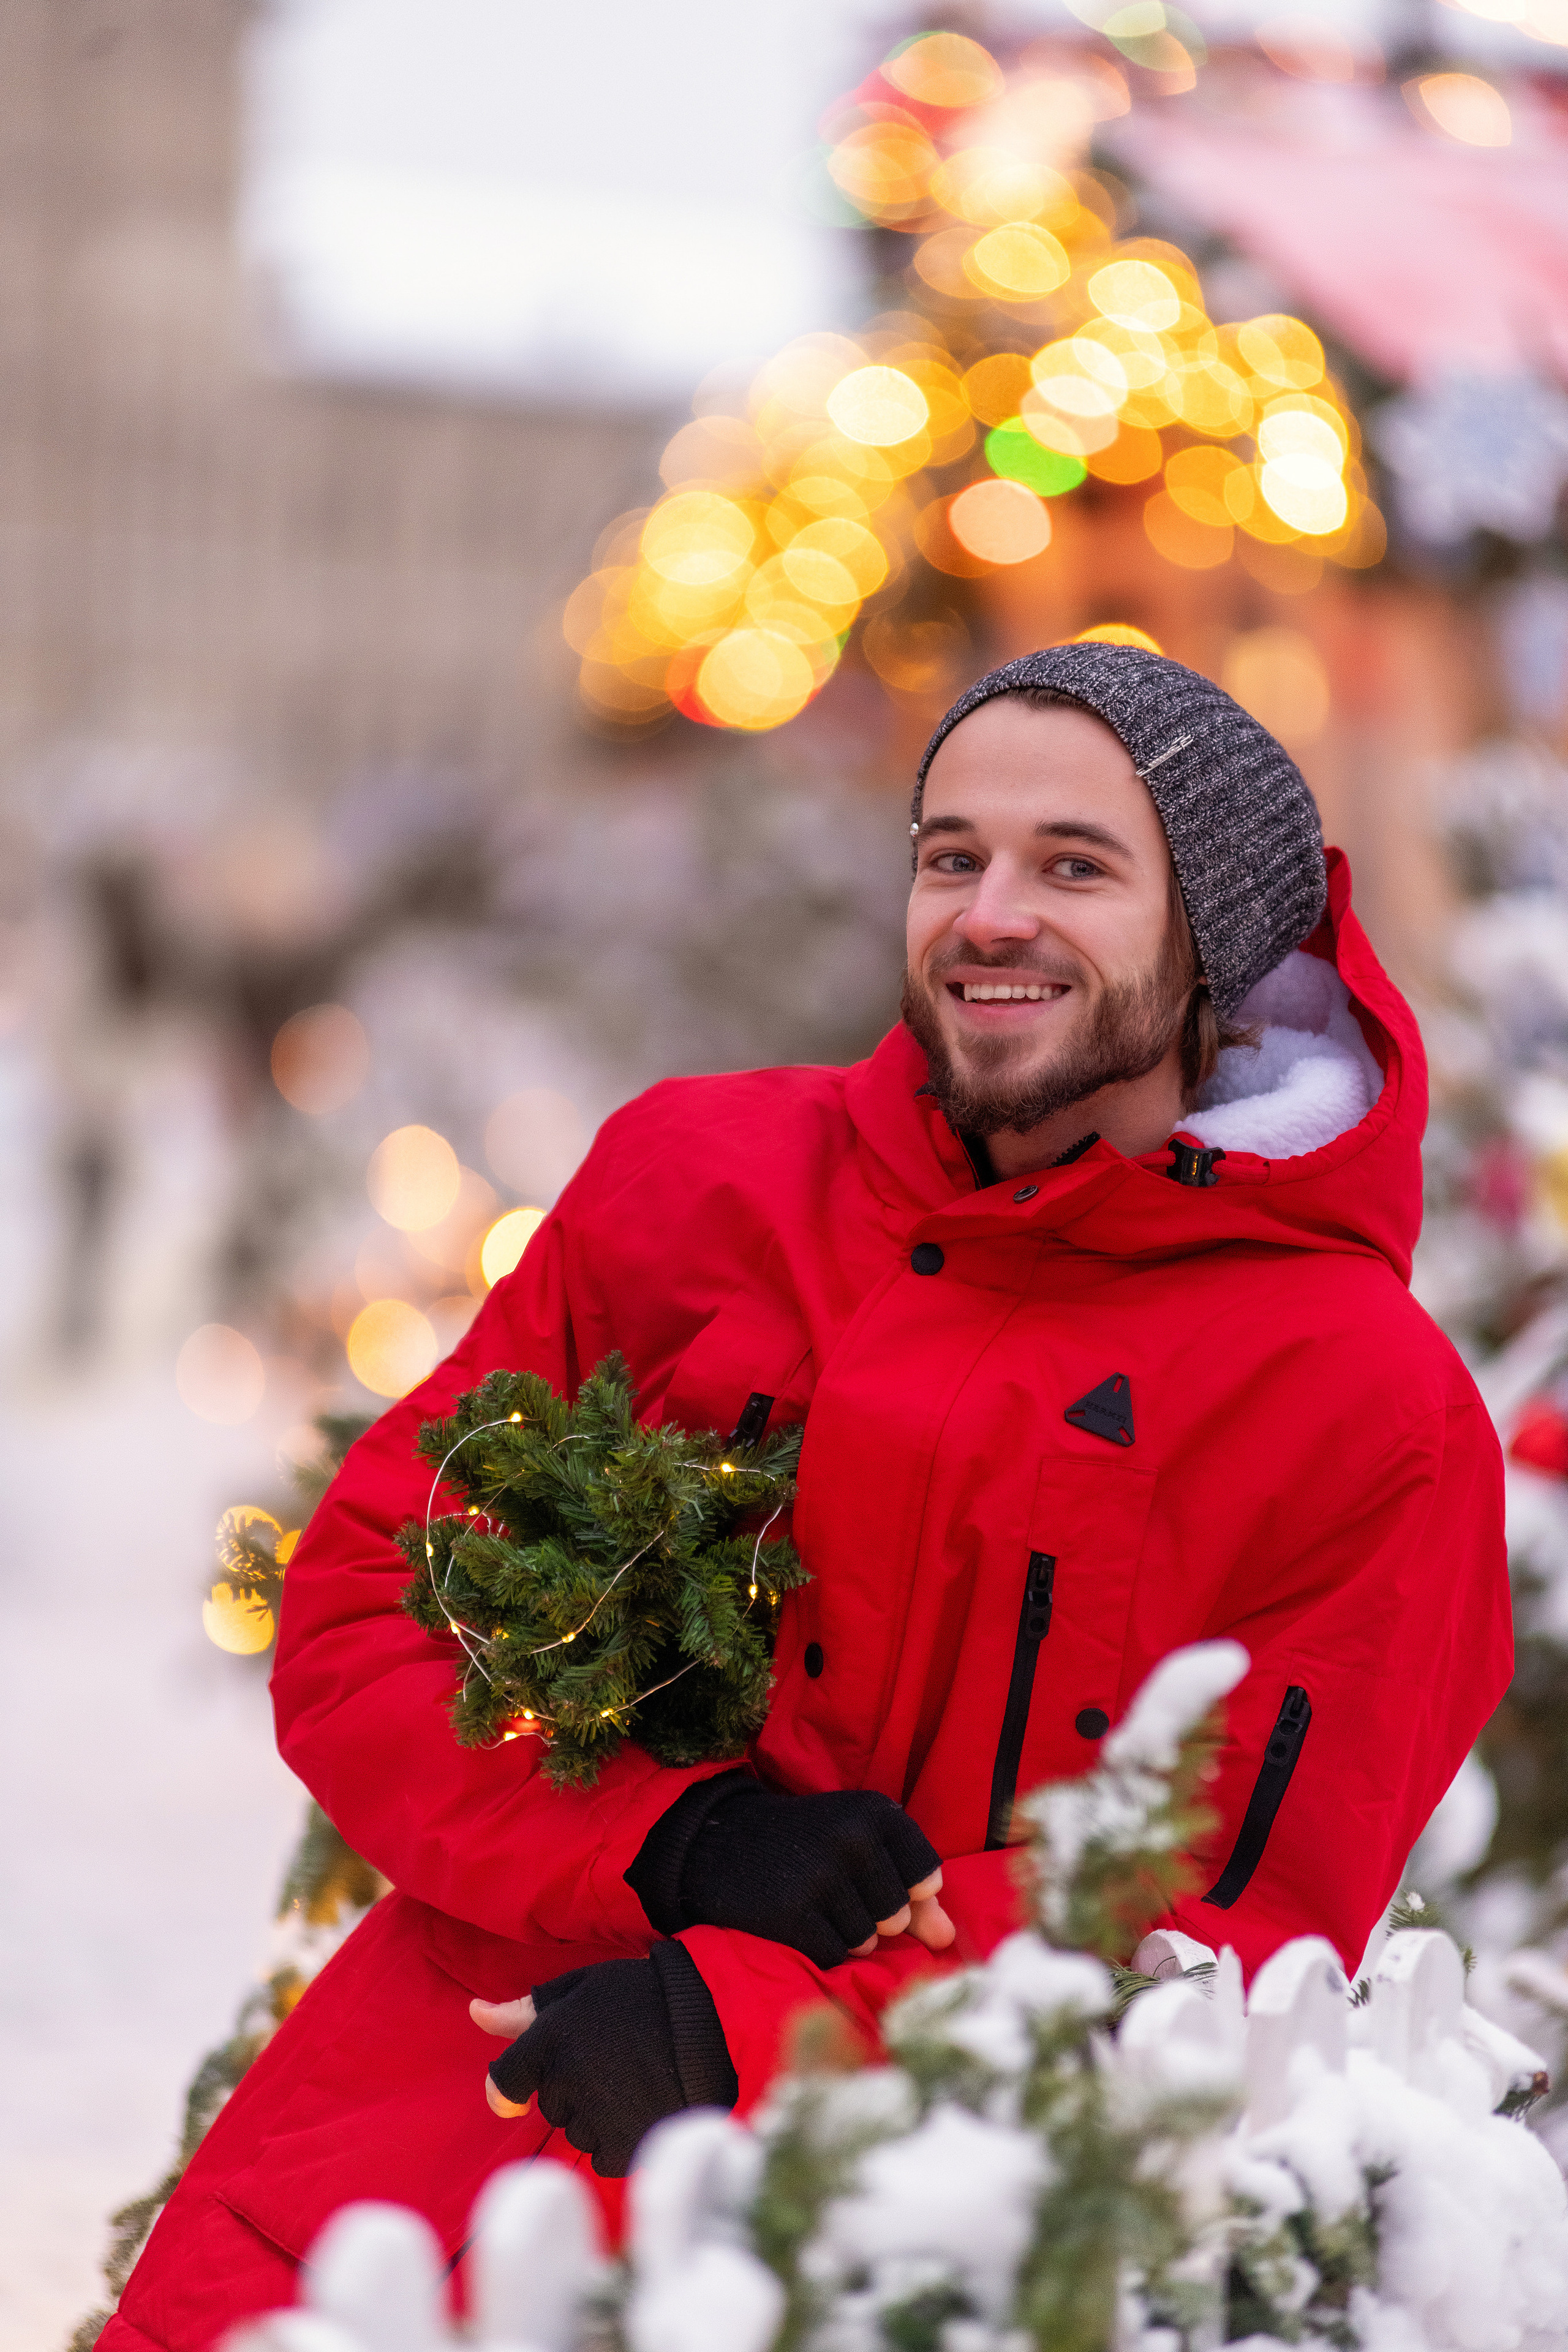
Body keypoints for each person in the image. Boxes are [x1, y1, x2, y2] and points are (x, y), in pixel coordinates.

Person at [104, 644, 1511, 2352]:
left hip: (924, 2225)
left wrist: (741, 2032)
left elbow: (1231, 1917)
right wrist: (670, 1837)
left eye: (1076, 866)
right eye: (950, 855)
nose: (992, 914)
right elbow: (371, 1612)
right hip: (436, 2117)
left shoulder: (1365, 1407)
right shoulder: (699, 1184)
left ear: (1221, 934)